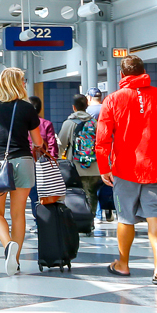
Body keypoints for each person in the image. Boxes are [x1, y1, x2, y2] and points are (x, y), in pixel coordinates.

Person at [96, 55, 157, 282]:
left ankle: (123, 264)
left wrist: (103, 166)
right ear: (144, 71)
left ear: (122, 74)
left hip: (124, 169)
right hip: (154, 168)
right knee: (155, 216)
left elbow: (102, 138)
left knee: (125, 218)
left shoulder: (112, 100)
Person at [0, 69, 45, 275]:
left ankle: (7, 246)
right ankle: (14, 261)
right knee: (18, 213)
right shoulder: (27, 108)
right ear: (19, 83)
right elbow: (38, 142)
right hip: (23, 163)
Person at [58, 93, 102, 221]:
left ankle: (79, 220)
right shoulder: (95, 123)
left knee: (78, 194)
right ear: (87, 106)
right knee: (92, 193)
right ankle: (91, 219)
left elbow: (61, 144)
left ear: (74, 107)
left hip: (76, 167)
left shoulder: (69, 123)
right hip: (95, 166)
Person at [27, 95, 59, 214]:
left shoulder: (24, 125)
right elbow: (52, 145)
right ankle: (46, 218)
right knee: (46, 192)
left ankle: (37, 219)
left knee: (33, 194)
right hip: (45, 164)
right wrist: (52, 162)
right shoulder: (46, 124)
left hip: (29, 163)